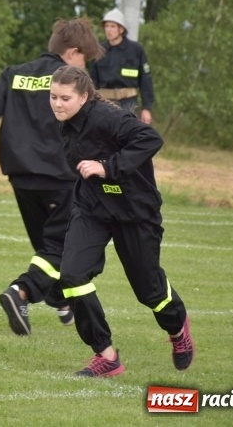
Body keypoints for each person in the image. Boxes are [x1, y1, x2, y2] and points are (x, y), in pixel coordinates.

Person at [0, 18, 105, 336]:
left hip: (20, 175)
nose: (85, 66)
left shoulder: (15, 74)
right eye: (85, 57)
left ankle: (59, 298)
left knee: (48, 246)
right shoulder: (72, 83)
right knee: (65, 246)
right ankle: (22, 292)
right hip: (60, 175)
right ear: (72, 53)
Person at [49, 65, 194, 377]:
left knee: (149, 291)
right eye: (53, 97)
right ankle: (106, 356)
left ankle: (177, 326)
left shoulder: (107, 117)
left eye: (65, 98)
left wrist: (107, 166)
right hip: (92, 208)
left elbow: (150, 139)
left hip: (135, 211)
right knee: (73, 275)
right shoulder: (66, 125)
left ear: (83, 97)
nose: (57, 104)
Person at [89, 8, 155, 124]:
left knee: (127, 138)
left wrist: (147, 108)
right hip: (104, 103)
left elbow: (146, 80)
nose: (108, 30)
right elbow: (92, 81)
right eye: (107, 26)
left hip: (128, 104)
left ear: (121, 29)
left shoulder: (136, 50)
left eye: (112, 26)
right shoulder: (99, 51)